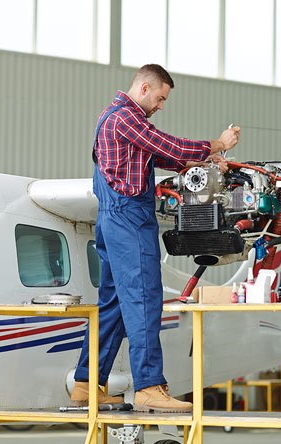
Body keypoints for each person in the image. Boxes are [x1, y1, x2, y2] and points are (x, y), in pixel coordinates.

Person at [70, 64, 241, 412]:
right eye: (161, 98)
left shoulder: (124, 124)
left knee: (115, 303)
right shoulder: (123, 119)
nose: (161, 105)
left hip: (114, 219)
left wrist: (211, 157)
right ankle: (149, 385)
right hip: (129, 221)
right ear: (145, 87)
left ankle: (88, 383)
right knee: (145, 299)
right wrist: (217, 142)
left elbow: (164, 157)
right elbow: (172, 148)